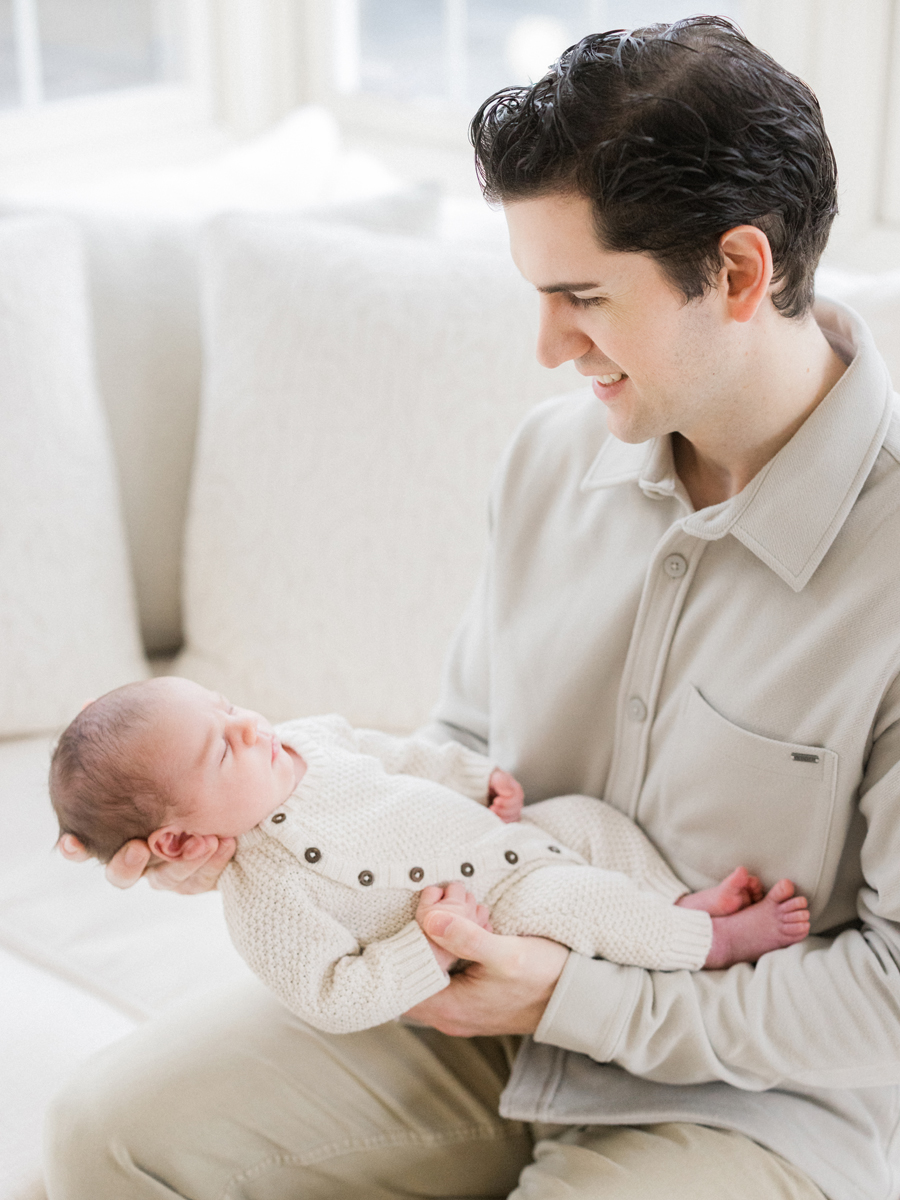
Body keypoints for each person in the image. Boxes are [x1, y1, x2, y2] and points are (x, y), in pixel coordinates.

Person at [45, 16, 900, 1200]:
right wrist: (238, 836)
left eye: (583, 296)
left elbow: (889, 1000)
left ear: (741, 271)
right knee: (104, 1132)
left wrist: (570, 991)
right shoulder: (553, 463)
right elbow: (457, 760)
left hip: (749, 1098)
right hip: (473, 1005)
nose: (549, 346)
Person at [49, 678, 807, 1035]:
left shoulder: (307, 737)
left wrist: (474, 779)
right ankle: (712, 943)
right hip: (495, 909)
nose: (250, 724)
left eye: (226, 706)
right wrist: (427, 950)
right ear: (178, 841)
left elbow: (402, 759)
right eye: (222, 748)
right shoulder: (263, 892)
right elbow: (333, 998)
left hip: (505, 836)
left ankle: (674, 905)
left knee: (590, 823)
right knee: (575, 900)